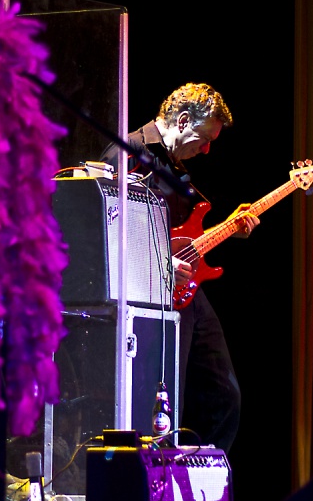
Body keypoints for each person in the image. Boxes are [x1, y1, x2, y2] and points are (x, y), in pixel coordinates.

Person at [103, 83, 256, 455]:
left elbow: (179, 236)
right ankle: (157, 489)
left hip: (185, 290)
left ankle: (197, 480)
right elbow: (104, 226)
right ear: (184, 120)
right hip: (148, 295)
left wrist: (228, 229)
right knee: (163, 402)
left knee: (225, 396)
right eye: (204, 139)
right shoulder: (128, 152)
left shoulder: (174, 164)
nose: (207, 149)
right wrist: (159, 263)